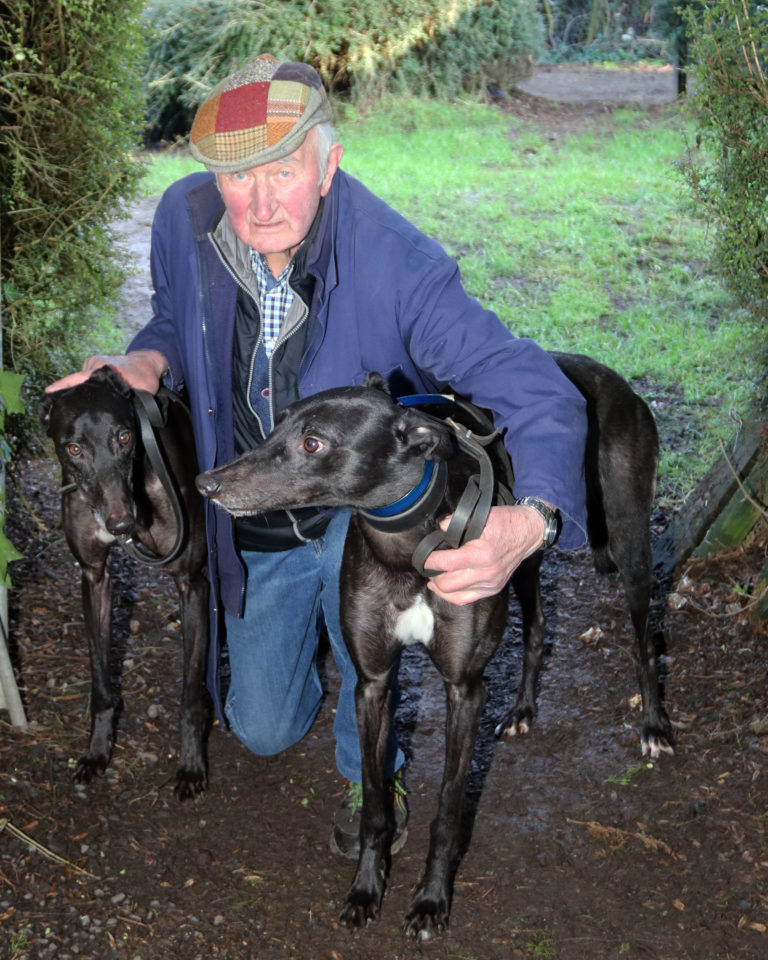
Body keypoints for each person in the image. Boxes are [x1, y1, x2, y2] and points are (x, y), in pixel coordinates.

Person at [47, 54, 588, 857]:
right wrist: (146, 364)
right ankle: (314, 642)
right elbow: (171, 322)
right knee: (261, 726)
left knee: (362, 601)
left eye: (283, 170)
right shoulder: (184, 218)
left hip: (358, 522)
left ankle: (372, 769)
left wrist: (533, 519)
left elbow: (534, 387)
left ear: (328, 164)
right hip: (257, 521)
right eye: (238, 177)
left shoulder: (399, 263)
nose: (259, 202)